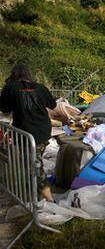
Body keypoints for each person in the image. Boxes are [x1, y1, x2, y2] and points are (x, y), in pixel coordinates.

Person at [0, 64, 57, 202]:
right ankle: (33, 191)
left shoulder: (10, 88)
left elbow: (5, 110)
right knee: (32, 162)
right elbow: (53, 105)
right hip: (43, 130)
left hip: (28, 133)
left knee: (34, 166)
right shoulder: (40, 87)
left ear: (13, 74)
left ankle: (50, 200)